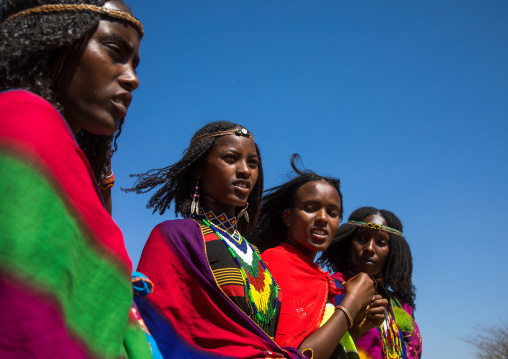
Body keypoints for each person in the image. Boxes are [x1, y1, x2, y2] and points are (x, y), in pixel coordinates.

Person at [0, 1, 153, 357]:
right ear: (55, 38)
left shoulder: (73, 163)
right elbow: (23, 314)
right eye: (116, 52)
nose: (132, 78)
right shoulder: (24, 122)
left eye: (135, 63)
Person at [126, 121, 305, 358]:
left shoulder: (255, 253)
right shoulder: (174, 237)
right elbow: (155, 325)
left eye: (253, 164)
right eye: (231, 159)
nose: (245, 170)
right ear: (199, 168)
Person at [249, 156, 382, 359]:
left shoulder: (315, 274)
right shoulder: (277, 263)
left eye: (332, 212)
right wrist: (352, 303)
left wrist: (358, 327)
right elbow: (298, 355)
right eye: (310, 208)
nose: (322, 218)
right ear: (288, 217)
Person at [318, 207, 422, 359]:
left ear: (392, 252)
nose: (369, 248)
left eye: (381, 242)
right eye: (361, 238)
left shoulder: (400, 305)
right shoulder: (327, 287)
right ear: (347, 242)